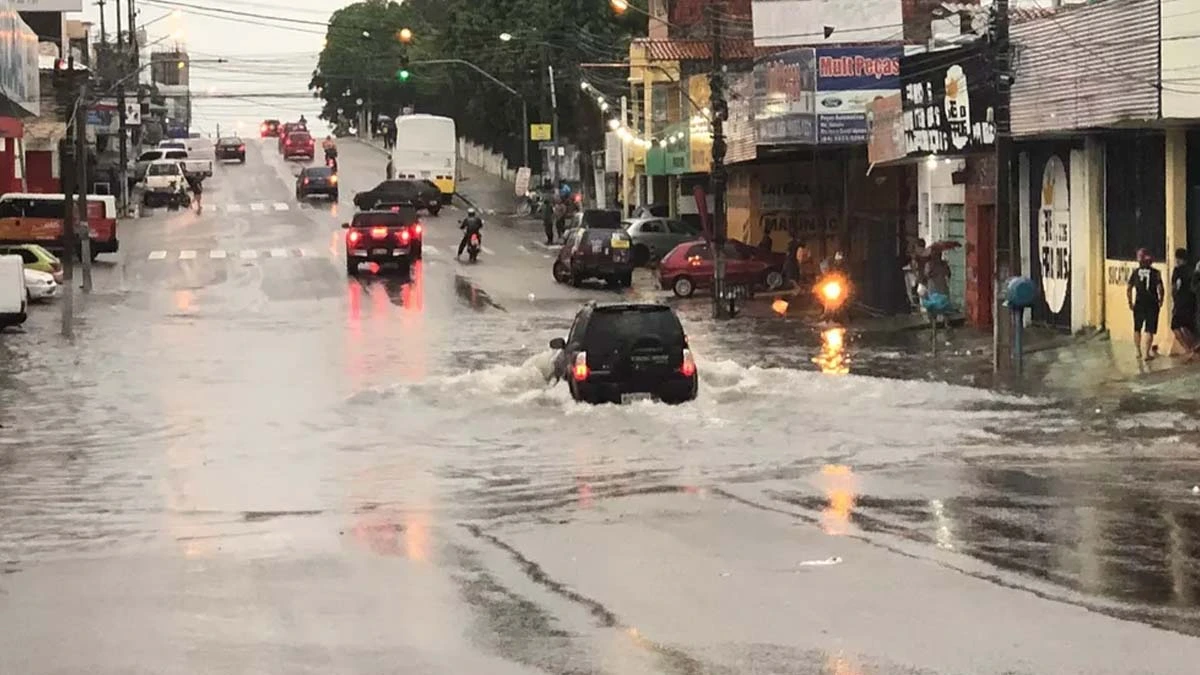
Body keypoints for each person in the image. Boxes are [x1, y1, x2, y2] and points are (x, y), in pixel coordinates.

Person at [1126, 247, 1165, 360]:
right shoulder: (1155, 273)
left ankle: (1138, 351)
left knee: (1137, 328)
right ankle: (1146, 354)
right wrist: (1161, 299)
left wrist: (1130, 302)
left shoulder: (1135, 272)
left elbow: (1129, 288)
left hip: (1139, 302)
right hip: (1152, 302)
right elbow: (1160, 288)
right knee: (1149, 329)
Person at [1170, 248, 1197, 356]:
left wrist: (1174, 299)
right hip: (1192, 300)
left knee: (1175, 326)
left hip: (1181, 301)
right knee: (1189, 325)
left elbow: (1174, 287)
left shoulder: (1177, 270)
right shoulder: (1193, 269)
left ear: (1178, 258)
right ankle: (1193, 346)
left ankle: (1188, 349)